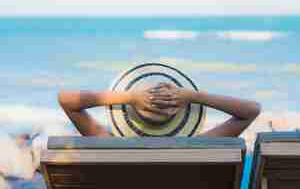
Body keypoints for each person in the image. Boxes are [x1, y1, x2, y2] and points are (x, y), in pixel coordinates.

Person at [58, 82, 261, 138]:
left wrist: (130, 97)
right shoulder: (197, 150)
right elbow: (251, 110)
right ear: (181, 118)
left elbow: (67, 100)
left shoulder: (111, 148)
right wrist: (195, 96)